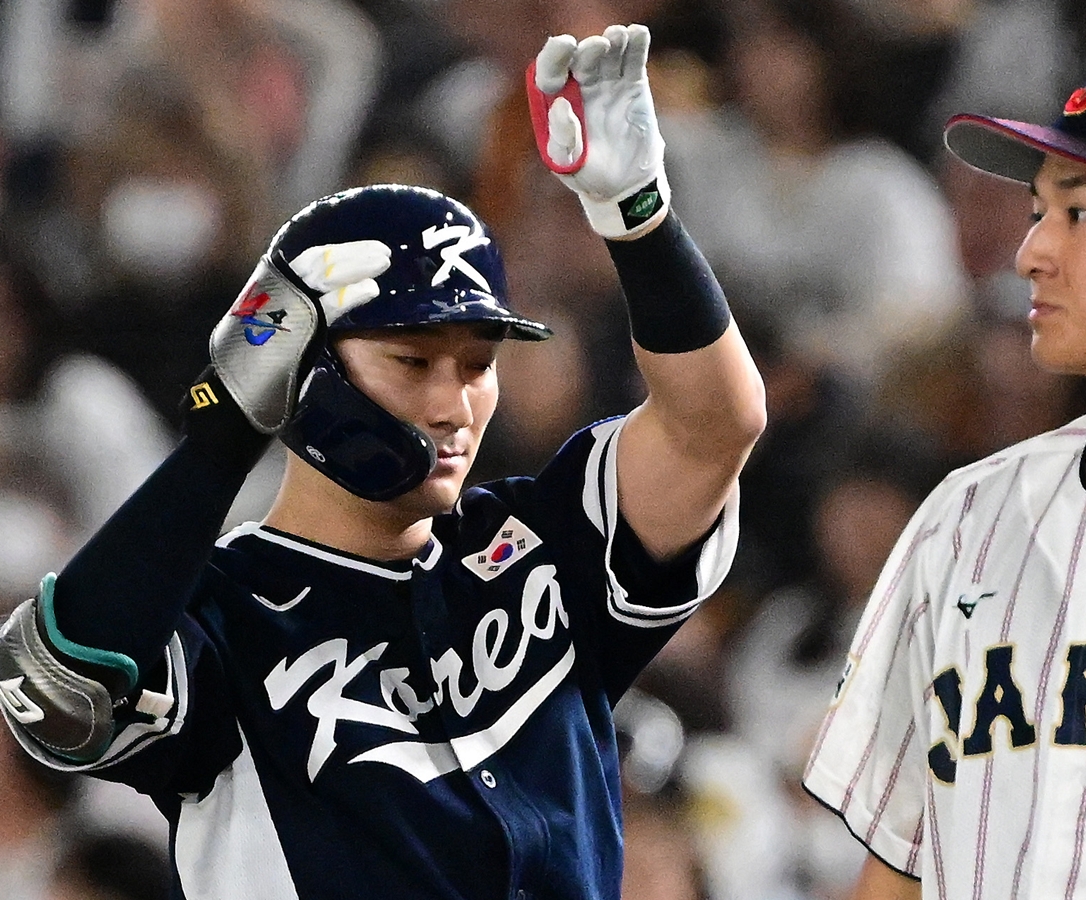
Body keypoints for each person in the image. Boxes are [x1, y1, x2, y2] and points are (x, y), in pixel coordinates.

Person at [0, 23, 765, 900]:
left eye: (478, 365)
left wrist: (640, 216)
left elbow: (716, 426)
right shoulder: (225, 610)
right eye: (413, 363)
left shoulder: (534, 540)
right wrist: (223, 431)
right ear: (302, 372)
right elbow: (58, 686)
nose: (455, 402)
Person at [803, 50, 1086, 898]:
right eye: (1036, 213)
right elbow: (895, 871)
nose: (1030, 253)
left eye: (1081, 214)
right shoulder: (966, 518)